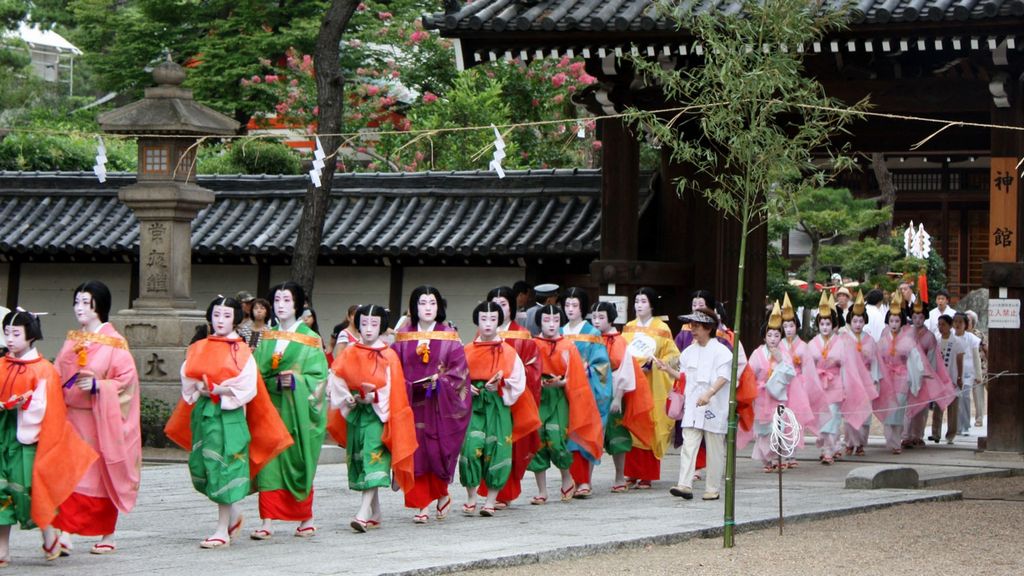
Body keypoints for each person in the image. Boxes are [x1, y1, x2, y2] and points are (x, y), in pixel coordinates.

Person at [166, 296, 292, 548]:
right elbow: (187, 376)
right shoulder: (199, 346)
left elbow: (247, 386)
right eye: (216, 315)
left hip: (229, 416)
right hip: (204, 413)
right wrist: (200, 388)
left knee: (224, 466)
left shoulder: (242, 350)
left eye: (226, 316)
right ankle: (232, 515)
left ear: (235, 318)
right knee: (205, 466)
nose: (220, 320)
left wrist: (221, 390)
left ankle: (222, 529)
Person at [0, 308, 97, 567]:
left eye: (16, 333)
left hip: (27, 439)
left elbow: (44, 407)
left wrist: (20, 405)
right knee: (1, 490)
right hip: (3, 435)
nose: (10, 339)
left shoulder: (43, 370)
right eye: (7, 333)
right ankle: (3, 550)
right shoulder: (2, 364)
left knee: (30, 491)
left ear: (30, 336)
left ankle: (48, 533)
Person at [52, 281, 141, 555]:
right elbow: (57, 373)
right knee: (69, 474)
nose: (79, 308)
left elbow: (126, 382)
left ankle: (107, 532)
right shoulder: (72, 340)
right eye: (76, 302)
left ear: (98, 306)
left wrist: (98, 387)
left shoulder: (115, 343)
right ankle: (65, 533)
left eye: (85, 302)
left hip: (101, 420)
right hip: (72, 419)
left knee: (99, 476)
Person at [326, 304, 417, 532]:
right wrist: (347, 396)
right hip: (358, 412)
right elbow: (337, 376)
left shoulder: (388, 355)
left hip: (378, 415)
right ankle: (375, 511)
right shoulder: (350, 351)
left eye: (374, 324)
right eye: (364, 323)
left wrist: (374, 396)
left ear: (382, 327)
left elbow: (393, 389)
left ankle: (363, 512)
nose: (368, 329)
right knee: (362, 457)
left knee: (373, 456)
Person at [251, 282, 328, 540]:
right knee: (270, 462)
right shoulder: (268, 337)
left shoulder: (311, 338)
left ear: (298, 304)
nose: (281, 305)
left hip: (298, 411)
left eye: (287, 300)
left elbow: (318, 378)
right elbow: (257, 374)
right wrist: (273, 382)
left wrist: (296, 381)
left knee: (298, 460)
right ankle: (267, 520)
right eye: (278, 300)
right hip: (271, 409)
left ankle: (306, 518)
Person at [392, 286, 470, 524]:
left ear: (440, 307)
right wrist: (405, 384)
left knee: (437, 451)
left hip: (439, 406)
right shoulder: (403, 336)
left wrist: (441, 382)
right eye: (423, 303)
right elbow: (393, 367)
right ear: (414, 307)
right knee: (416, 452)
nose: (428, 308)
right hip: (411, 404)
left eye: (432, 303)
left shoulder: (449, 336)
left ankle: (442, 493)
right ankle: (422, 504)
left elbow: (460, 372)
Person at [459, 301, 538, 517]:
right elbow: (457, 379)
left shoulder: (508, 351)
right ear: (477, 320)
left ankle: (491, 499)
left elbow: (518, 381)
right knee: (469, 448)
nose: (488, 324)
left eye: (493, 319)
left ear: (499, 321)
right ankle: (471, 496)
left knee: (497, 447)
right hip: (475, 405)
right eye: (483, 319)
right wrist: (466, 388)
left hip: (498, 404)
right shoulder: (466, 350)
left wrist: (500, 386)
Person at [528, 304, 602, 504]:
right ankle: (542, 490)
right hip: (538, 397)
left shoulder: (567, 345)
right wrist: (537, 381)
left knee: (556, 437)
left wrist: (563, 382)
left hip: (560, 396)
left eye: (555, 321)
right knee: (538, 440)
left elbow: (576, 375)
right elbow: (525, 371)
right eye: (546, 320)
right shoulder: (533, 344)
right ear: (539, 322)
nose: (551, 325)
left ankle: (567, 478)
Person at [480, 286, 542, 509]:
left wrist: (510, 381)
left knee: (511, 446)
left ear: (512, 307)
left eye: (503, 304)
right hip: (488, 399)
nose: (498, 308)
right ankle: (490, 491)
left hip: (515, 399)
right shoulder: (482, 336)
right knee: (487, 444)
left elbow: (533, 368)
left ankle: (504, 493)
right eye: (494, 303)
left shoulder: (522, 336)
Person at [669, 308, 732, 500]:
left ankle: (712, 488)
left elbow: (723, 377)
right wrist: (666, 370)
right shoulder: (688, 352)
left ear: (708, 328)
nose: (693, 329)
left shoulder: (722, 352)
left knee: (714, 447)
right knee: (689, 443)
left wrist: (710, 393)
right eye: (692, 325)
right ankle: (684, 484)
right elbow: (685, 376)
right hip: (693, 403)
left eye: (697, 326)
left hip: (713, 404)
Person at [590, 301, 653, 491]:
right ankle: (586, 480)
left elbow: (626, 370)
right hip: (592, 393)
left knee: (617, 435)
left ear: (610, 319)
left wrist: (618, 397)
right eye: (594, 317)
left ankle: (619, 477)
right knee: (591, 436)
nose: (597, 321)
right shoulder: (589, 339)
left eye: (601, 317)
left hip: (613, 392)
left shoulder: (620, 341)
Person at [806, 292, 874, 464]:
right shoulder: (812, 343)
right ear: (818, 325)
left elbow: (846, 367)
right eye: (822, 324)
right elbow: (809, 369)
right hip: (820, 386)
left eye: (828, 323)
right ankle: (828, 446)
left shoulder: (841, 343)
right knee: (822, 418)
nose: (825, 327)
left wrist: (846, 387)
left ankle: (829, 449)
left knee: (834, 417)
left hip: (836, 384)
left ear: (833, 324)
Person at [622, 287, 680, 489]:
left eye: (643, 301)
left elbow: (674, 357)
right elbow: (621, 353)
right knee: (631, 424)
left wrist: (655, 364)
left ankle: (646, 474)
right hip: (632, 383)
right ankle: (630, 472)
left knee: (651, 423)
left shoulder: (662, 328)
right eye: (636, 301)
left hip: (652, 384)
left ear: (652, 304)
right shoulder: (628, 327)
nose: (639, 305)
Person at [749, 302, 814, 471]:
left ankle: (776, 457)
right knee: (764, 430)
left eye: (776, 335)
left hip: (778, 397)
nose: (773, 339)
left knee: (778, 427)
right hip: (762, 396)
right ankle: (766, 460)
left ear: (781, 337)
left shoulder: (784, 354)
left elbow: (790, 374)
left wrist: (780, 361)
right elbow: (750, 374)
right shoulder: (757, 354)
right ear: (764, 337)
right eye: (769, 335)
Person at [559, 287, 611, 498]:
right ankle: (571, 479)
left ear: (582, 308)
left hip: (585, 390)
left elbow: (602, 366)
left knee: (583, 433)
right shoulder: (560, 331)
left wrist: (584, 370)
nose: (570, 309)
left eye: (574, 305)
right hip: (562, 391)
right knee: (565, 434)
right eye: (567, 305)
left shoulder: (592, 333)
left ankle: (584, 480)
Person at [903, 299, 953, 449]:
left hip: (924, 375)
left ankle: (917, 435)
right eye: (915, 316)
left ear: (925, 318)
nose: (917, 320)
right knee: (907, 407)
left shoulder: (929, 336)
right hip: (909, 374)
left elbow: (931, 358)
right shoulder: (906, 333)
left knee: (922, 407)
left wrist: (928, 373)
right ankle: (906, 435)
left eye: (921, 317)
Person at [844, 291, 881, 456]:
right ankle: (850, 442)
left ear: (864, 321)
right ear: (850, 321)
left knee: (865, 414)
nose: (858, 324)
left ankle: (860, 444)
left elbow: (875, 362)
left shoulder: (870, 340)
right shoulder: (844, 339)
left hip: (866, 379)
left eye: (860, 321)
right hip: (850, 380)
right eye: (854, 321)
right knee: (849, 413)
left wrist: (875, 380)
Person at [931, 315, 963, 444]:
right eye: (939, 324)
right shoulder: (936, 340)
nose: (940, 327)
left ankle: (951, 434)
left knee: (953, 409)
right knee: (937, 407)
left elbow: (960, 360)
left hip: (952, 378)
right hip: (939, 379)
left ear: (950, 326)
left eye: (943, 324)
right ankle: (935, 433)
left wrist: (959, 376)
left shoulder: (956, 341)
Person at [953, 313, 982, 436]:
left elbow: (976, 357)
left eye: (961, 322)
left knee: (965, 398)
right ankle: (955, 426)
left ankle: (964, 425)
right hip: (953, 372)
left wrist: (978, 375)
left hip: (968, 373)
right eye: (956, 322)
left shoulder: (971, 338)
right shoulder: (950, 337)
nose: (958, 324)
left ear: (966, 324)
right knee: (955, 399)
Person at [965, 310, 987, 427]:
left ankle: (979, 419)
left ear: (973, 322)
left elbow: (986, 350)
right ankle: (964, 420)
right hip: (965, 369)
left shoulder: (979, 334)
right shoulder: (959, 334)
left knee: (978, 394)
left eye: (968, 320)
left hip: (980, 368)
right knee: (964, 395)